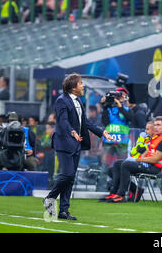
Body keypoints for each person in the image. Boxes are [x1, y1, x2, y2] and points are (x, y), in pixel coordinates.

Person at [43, 73, 113, 220]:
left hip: (76, 142)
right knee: (67, 174)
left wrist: (102, 132)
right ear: (73, 87)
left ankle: (63, 211)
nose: (83, 85)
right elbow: (62, 121)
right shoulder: (62, 100)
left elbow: (86, 123)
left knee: (71, 177)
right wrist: (72, 131)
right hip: (64, 142)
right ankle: (50, 198)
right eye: (81, 83)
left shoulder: (79, 101)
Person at [108, 116, 162, 203]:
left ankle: (121, 195)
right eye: (155, 125)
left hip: (154, 168)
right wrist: (139, 158)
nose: (156, 127)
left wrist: (139, 160)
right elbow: (147, 151)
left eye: (158, 125)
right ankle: (114, 193)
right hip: (147, 164)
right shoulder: (156, 137)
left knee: (126, 165)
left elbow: (155, 159)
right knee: (117, 164)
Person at [101, 121, 155, 202]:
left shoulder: (153, 140)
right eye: (145, 129)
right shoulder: (145, 138)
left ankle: (120, 194)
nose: (145, 131)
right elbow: (136, 149)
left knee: (123, 166)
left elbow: (140, 148)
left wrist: (141, 142)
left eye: (148, 129)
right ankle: (117, 192)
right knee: (111, 169)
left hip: (143, 163)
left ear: (153, 131)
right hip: (135, 160)